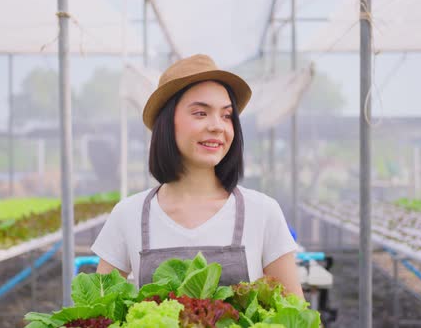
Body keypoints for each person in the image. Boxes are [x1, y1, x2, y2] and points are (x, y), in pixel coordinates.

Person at [92, 54, 303, 297]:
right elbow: (99, 311)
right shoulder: (128, 215)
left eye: (226, 115)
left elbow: (297, 317)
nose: (217, 126)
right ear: (167, 123)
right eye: (201, 113)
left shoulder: (263, 212)